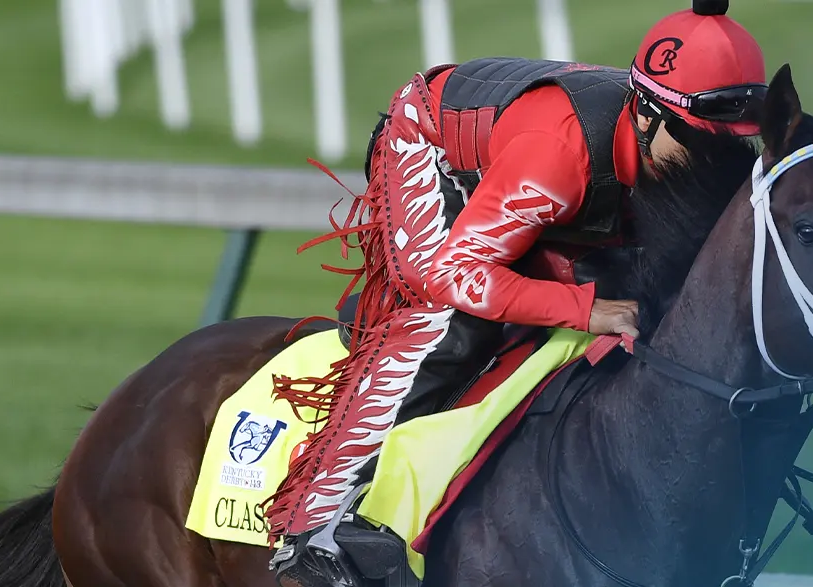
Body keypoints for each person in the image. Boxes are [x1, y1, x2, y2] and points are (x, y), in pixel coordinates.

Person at [266, 1, 767, 583]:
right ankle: (315, 525)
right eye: (701, 142)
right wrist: (584, 309)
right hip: (430, 146)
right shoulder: (558, 157)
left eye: (731, 146)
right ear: (650, 116)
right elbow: (457, 273)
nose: (712, 162)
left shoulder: (655, 140)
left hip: (530, 165)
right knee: (449, 324)